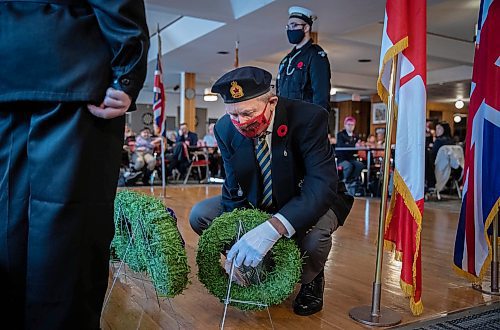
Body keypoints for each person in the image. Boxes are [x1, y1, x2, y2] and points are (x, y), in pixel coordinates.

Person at [0, 1, 149, 328]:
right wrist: (127, 73)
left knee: (6, 218)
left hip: (7, 67)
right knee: (69, 231)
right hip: (71, 66)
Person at [190, 66, 352, 316]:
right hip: (262, 198)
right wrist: (241, 236)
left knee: (314, 238)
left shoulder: (308, 118)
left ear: (272, 102)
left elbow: (321, 185)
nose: (241, 123)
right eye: (233, 115)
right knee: (201, 214)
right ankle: (258, 262)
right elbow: (233, 188)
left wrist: (274, 228)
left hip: (310, 198)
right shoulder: (225, 129)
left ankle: (312, 278)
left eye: (248, 113)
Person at [276, 6, 331, 112]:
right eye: (288, 27)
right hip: (286, 119)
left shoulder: (315, 55)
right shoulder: (286, 60)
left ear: (306, 28)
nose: (290, 30)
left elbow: (321, 95)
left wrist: (316, 125)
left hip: (305, 120)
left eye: (294, 25)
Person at [336, 117, 364, 184]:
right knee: (348, 166)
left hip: (351, 158)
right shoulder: (340, 134)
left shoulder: (356, 136)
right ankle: (343, 182)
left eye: (352, 125)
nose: (350, 126)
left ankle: (352, 180)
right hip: (341, 158)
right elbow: (340, 145)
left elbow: (356, 149)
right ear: (345, 125)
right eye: (348, 124)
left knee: (360, 165)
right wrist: (354, 145)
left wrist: (360, 145)